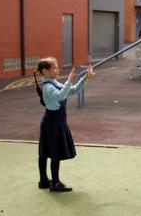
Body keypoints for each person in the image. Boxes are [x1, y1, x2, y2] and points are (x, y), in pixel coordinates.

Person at [34, 57, 95, 192]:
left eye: (57, 67)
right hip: (53, 123)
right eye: (54, 68)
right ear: (44, 71)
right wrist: (68, 81)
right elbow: (60, 96)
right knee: (53, 153)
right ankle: (54, 183)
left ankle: (44, 181)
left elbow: (72, 90)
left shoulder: (54, 82)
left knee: (45, 152)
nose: (58, 70)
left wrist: (85, 78)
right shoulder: (49, 86)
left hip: (55, 122)